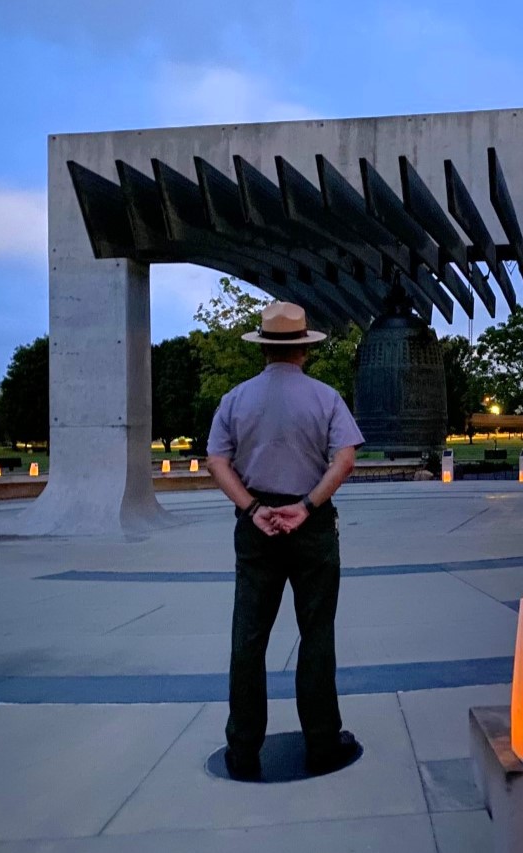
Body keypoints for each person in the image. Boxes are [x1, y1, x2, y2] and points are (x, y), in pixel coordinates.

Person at [205, 302, 365, 781]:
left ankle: (243, 747)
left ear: (264, 349)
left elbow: (217, 460)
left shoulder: (235, 398)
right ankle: (321, 741)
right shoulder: (325, 397)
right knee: (316, 635)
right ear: (304, 350)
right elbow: (346, 461)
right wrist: (308, 506)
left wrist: (254, 510)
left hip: (256, 529)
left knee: (248, 638)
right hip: (310, 525)